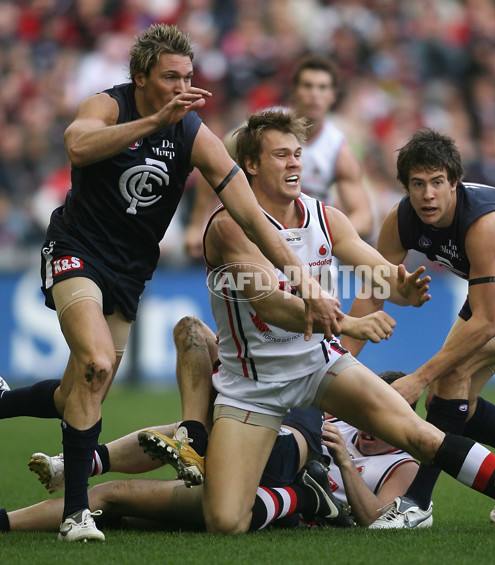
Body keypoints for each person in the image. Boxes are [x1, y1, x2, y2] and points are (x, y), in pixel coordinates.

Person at [151, 108, 495, 535]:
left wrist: (400, 287)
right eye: (281, 155)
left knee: (424, 430)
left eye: (298, 154)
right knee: (226, 520)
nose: (294, 164)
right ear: (250, 163)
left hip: (319, 363)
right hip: (253, 384)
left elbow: (378, 274)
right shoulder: (230, 226)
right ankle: (107, 490)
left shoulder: (326, 216)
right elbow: (274, 307)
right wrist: (350, 325)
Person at [0, 24, 343, 543]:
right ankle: (76, 514)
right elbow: (77, 145)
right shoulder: (110, 106)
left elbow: (249, 214)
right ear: (140, 77)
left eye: (188, 76)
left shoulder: (190, 133)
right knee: (96, 362)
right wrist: (153, 122)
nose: (182, 86)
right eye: (169, 77)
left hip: (129, 272)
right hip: (76, 252)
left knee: (81, 388)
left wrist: (301, 280)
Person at [342, 127, 495, 528]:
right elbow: (374, 292)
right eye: (417, 184)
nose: (427, 195)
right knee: (453, 398)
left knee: (447, 374)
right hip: (491, 290)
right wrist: (335, 365)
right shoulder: (401, 218)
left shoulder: (483, 221)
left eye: (437, 182)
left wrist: (416, 378)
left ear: (454, 182)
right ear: (405, 187)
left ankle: (417, 503)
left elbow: (486, 324)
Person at [2, 318, 417, 532]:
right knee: (190, 333)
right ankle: (188, 440)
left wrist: (344, 463)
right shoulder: (340, 417)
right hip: (252, 459)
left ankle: (301, 496)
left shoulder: (403, 463)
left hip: (274, 476)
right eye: (370, 413)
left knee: (117, 501)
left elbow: (379, 519)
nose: (370, 424)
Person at [184, 54, 373, 260]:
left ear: (333, 95)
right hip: (259, 241)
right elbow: (213, 162)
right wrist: (196, 224)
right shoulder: (263, 128)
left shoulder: (337, 148)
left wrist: (319, 233)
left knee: (317, 292)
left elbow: (364, 216)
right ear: (294, 91)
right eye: (308, 86)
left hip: (315, 254)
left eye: (322, 88)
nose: (314, 95)